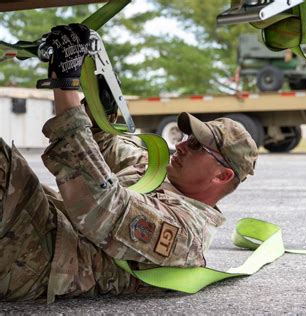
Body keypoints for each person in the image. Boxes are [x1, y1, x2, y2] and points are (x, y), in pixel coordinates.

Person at [0, 24, 258, 303]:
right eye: (187, 137)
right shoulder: (156, 171)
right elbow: (108, 145)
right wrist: (101, 108)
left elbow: (101, 205)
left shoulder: (185, 233)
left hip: (39, 261)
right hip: (43, 226)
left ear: (222, 175)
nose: (181, 145)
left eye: (197, 145)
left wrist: (66, 87)